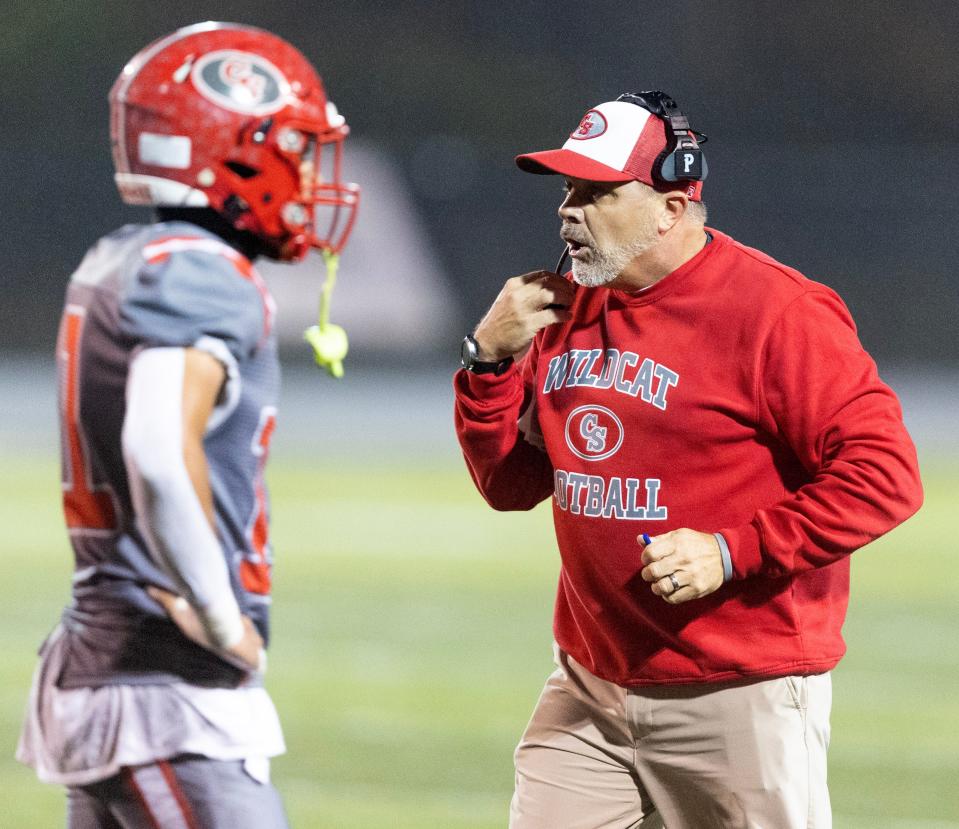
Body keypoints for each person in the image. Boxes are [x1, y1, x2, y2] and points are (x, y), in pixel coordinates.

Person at [454, 91, 923, 828]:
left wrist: (732, 549)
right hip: (589, 687)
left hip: (736, 689)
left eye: (597, 191)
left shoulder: (777, 312)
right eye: (568, 189)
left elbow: (886, 474)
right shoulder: (567, 305)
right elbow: (510, 484)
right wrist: (486, 363)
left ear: (671, 207)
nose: (567, 210)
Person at [17, 22, 359, 828]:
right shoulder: (203, 275)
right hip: (161, 682)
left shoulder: (128, 257)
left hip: (115, 665)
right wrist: (218, 617)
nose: (310, 174)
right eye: (297, 149)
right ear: (236, 148)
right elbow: (157, 450)